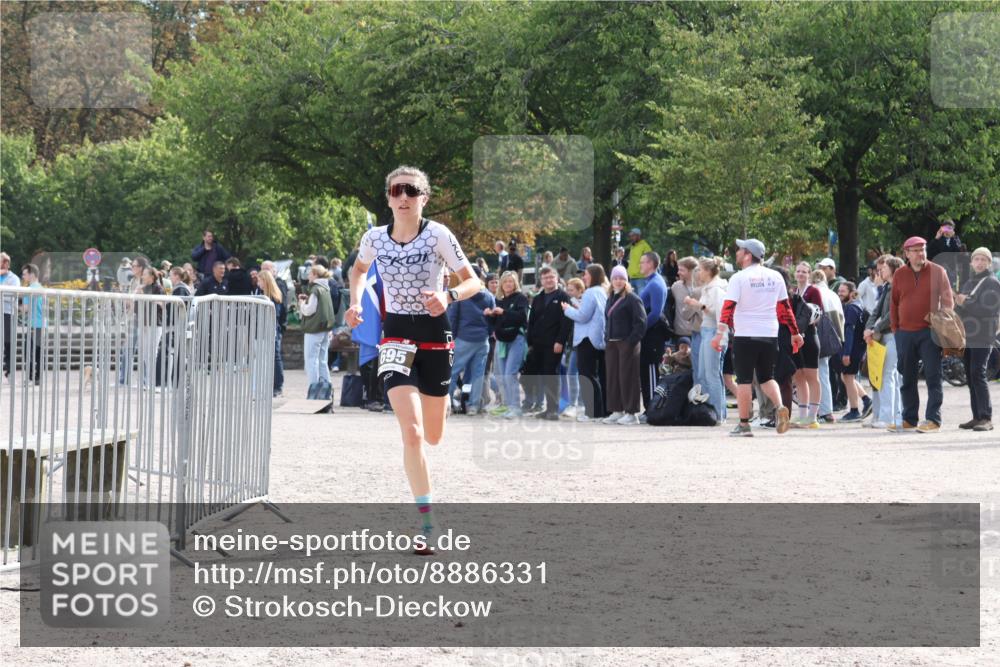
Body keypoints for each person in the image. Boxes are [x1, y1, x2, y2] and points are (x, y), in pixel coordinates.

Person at [346, 166, 478, 556]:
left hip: (435, 335)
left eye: (412, 190)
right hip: (396, 335)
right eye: (396, 191)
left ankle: (443, 403)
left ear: (424, 197)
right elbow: (357, 270)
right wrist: (355, 303)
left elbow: (471, 280)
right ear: (388, 197)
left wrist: (450, 297)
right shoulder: (374, 238)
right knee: (413, 433)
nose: (403, 197)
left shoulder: (438, 235)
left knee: (434, 434)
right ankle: (427, 522)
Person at [711, 239, 802, 437]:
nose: (737, 253)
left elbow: (728, 308)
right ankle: (779, 408)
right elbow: (785, 308)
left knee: (743, 380)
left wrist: (719, 334)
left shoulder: (739, 278)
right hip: (770, 334)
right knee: (767, 377)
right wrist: (795, 333)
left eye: (739, 250)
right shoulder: (775, 276)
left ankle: (744, 425)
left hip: (745, 334)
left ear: (748, 254)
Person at [891, 236, 954, 433]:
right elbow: (893, 303)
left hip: (930, 332)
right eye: (916, 250)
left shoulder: (938, 271)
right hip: (905, 333)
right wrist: (896, 330)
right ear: (907, 254)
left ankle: (933, 420)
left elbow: (947, 302)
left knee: (933, 377)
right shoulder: (900, 274)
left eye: (923, 249)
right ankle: (909, 419)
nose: (921, 253)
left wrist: (942, 326)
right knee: (907, 378)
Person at [955, 247, 999, 431]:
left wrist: (965, 302)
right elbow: (962, 309)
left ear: (989, 263)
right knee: (971, 376)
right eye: (977, 259)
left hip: (983, 334)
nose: (979, 262)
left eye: (983, 259)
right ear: (972, 263)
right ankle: (976, 416)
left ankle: (986, 418)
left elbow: (988, 310)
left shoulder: (992, 282)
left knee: (978, 374)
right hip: (968, 335)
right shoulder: (969, 283)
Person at [524, 266, 572, 420]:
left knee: (552, 375)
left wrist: (560, 341)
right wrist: (530, 342)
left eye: (551, 277)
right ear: (541, 280)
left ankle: (553, 410)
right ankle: (547, 408)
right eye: (545, 278)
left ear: (557, 278)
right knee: (543, 376)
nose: (548, 280)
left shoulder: (563, 296)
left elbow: (566, 322)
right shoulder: (538, 298)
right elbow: (532, 322)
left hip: (554, 344)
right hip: (538, 344)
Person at [562, 264, 608, 421]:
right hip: (597, 338)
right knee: (597, 376)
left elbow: (583, 316)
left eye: (586, 274)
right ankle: (601, 411)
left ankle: (592, 412)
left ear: (594, 276)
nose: (584, 277)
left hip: (586, 338)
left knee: (587, 376)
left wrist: (567, 309)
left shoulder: (590, 292)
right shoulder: (602, 291)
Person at [447, 267, 496, 415]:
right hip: (482, 340)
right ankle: (473, 406)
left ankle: (447, 402)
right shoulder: (488, 295)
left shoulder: (461, 294)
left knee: (452, 372)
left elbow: (453, 318)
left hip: (464, 337)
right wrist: (486, 333)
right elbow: (492, 318)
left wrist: (453, 337)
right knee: (478, 375)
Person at [602, 265, 646, 425]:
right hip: (612, 343)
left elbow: (641, 322)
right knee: (613, 377)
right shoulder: (610, 298)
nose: (618, 281)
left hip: (627, 343)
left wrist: (630, 341)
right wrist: (607, 338)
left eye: (621, 278)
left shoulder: (633, 298)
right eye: (615, 278)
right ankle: (617, 409)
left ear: (626, 280)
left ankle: (631, 412)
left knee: (628, 377)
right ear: (611, 280)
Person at [864, 255, 904, 429]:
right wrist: (869, 327)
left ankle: (889, 417)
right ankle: (891, 415)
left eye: (885, 268)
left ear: (893, 269)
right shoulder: (888, 286)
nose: (881, 271)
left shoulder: (899, 286)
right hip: (885, 334)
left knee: (888, 374)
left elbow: (893, 314)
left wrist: (875, 328)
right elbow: (876, 310)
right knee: (888, 375)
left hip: (895, 334)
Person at [490, 271, 529, 418]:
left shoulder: (520, 298)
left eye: (511, 281)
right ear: (501, 284)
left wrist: (504, 312)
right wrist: (490, 316)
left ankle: (515, 407)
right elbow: (496, 323)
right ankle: (508, 405)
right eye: (505, 281)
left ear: (515, 283)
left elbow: (522, 317)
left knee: (510, 374)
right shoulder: (498, 300)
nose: (508, 284)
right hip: (501, 341)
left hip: (516, 340)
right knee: (501, 375)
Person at [694, 257, 728, 421]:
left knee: (712, 374)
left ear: (708, 271)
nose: (698, 272)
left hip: (713, 332)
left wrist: (720, 337)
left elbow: (721, 314)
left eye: (700, 269)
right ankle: (714, 412)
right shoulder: (708, 288)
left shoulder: (716, 289)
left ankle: (718, 414)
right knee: (704, 373)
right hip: (707, 331)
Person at [790, 262, 823, 428]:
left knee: (812, 377)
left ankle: (813, 415)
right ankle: (802, 414)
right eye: (798, 271)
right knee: (799, 376)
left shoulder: (813, 291)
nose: (801, 274)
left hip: (809, 336)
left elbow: (819, 313)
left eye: (804, 271)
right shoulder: (794, 291)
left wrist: (804, 321)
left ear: (809, 274)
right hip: (796, 338)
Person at [638, 252, 669, 420]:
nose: (640, 265)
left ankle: (652, 409)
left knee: (650, 372)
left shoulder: (656, 284)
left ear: (651, 264)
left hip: (653, 335)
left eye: (642, 262)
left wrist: (640, 329)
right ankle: (648, 409)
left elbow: (656, 313)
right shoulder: (651, 282)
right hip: (648, 334)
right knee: (645, 372)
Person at [811, 269, 844, 423]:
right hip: (833, 337)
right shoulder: (834, 294)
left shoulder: (813, 293)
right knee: (825, 373)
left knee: (817, 375)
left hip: (818, 336)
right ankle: (826, 409)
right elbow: (841, 318)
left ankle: (822, 410)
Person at [299, 264, 335, 398]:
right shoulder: (326, 288)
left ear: (315, 275)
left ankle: (314, 390)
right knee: (322, 360)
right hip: (325, 329)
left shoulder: (315, 289)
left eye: (310, 274)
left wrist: (302, 304)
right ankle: (326, 390)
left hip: (314, 329)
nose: (308, 276)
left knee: (311, 360)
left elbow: (309, 310)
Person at [838, 281, 872, 422]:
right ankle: (866, 400)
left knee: (848, 378)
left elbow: (849, 331)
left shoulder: (851, 308)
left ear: (852, 293)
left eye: (843, 291)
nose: (840, 293)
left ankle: (854, 411)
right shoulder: (858, 306)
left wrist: (846, 353)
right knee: (845, 377)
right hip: (859, 347)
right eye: (839, 291)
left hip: (853, 349)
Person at [257, 269, 287, 398]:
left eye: (259, 280)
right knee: (272, 357)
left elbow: (278, 315)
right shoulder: (267, 294)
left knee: (275, 357)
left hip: (272, 329)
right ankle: (272, 385)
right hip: (270, 329)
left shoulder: (273, 297)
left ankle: (278, 386)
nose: (258, 283)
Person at [672, 257, 703, 378]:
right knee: (680, 369)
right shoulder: (676, 287)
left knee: (697, 369)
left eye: (682, 270)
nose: (678, 272)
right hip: (680, 332)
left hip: (697, 332)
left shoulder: (701, 289)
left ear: (691, 271)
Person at [20, 264, 45, 385]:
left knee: (29, 352)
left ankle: (30, 378)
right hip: (42, 324)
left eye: (25, 274)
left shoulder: (29, 289)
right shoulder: (41, 287)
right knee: (38, 352)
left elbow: (25, 308)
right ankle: (38, 378)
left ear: (32, 275)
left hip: (33, 324)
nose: (23, 276)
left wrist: (16, 306)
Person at [0, 252, 21, 378]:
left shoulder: (14, 279)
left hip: (7, 313)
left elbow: (14, 296)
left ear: (6, 263)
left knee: (8, 343)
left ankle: (9, 372)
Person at [928, 220, 963, 288]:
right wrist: (936, 238)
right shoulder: (937, 239)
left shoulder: (956, 240)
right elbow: (929, 252)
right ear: (941, 228)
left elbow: (958, 253)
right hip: (937, 269)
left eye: (950, 228)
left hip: (951, 271)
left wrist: (952, 238)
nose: (947, 230)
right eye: (946, 228)